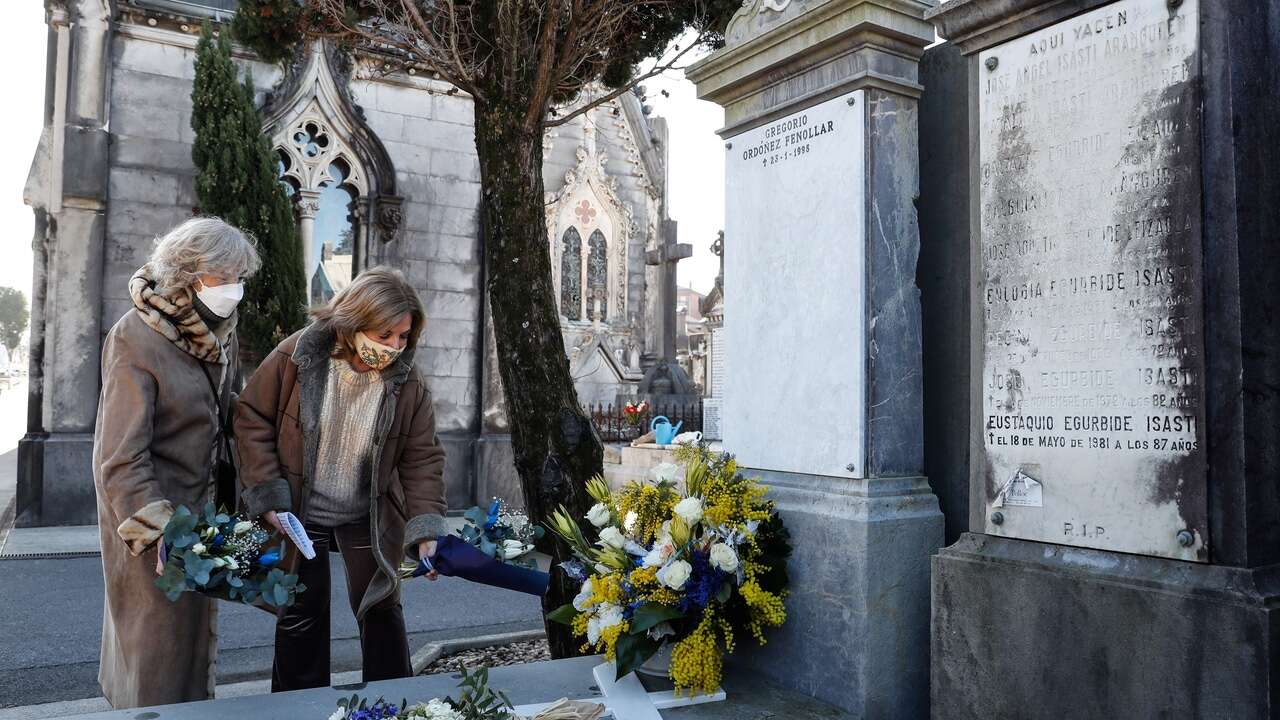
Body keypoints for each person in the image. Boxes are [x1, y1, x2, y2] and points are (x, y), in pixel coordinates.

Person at [234, 266, 447, 691]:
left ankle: (396, 707)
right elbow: (250, 417)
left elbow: (422, 458)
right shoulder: (297, 355)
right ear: (353, 324)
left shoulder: (408, 382)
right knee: (300, 612)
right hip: (299, 513)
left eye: (403, 336)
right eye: (384, 334)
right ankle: (296, 710)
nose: (393, 347)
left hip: (365, 514)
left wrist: (426, 529)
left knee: (382, 609)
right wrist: (269, 495)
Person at [93, 217, 260, 708]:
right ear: (188, 275)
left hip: (199, 511)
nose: (235, 289)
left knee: (191, 641)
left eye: (240, 277)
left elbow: (228, 412)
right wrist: (162, 530)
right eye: (225, 276)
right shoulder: (135, 338)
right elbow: (119, 455)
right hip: (152, 517)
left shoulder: (216, 330)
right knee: (154, 649)